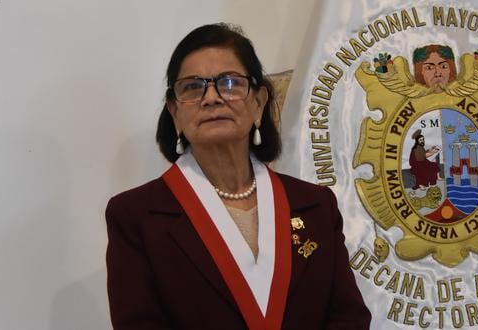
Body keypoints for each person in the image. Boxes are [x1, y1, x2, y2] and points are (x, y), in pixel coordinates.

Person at [105, 23, 371, 329]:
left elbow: (349, 316)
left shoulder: (316, 205)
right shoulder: (135, 217)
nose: (212, 97)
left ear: (258, 102)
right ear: (175, 111)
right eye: (192, 87)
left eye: (229, 82)